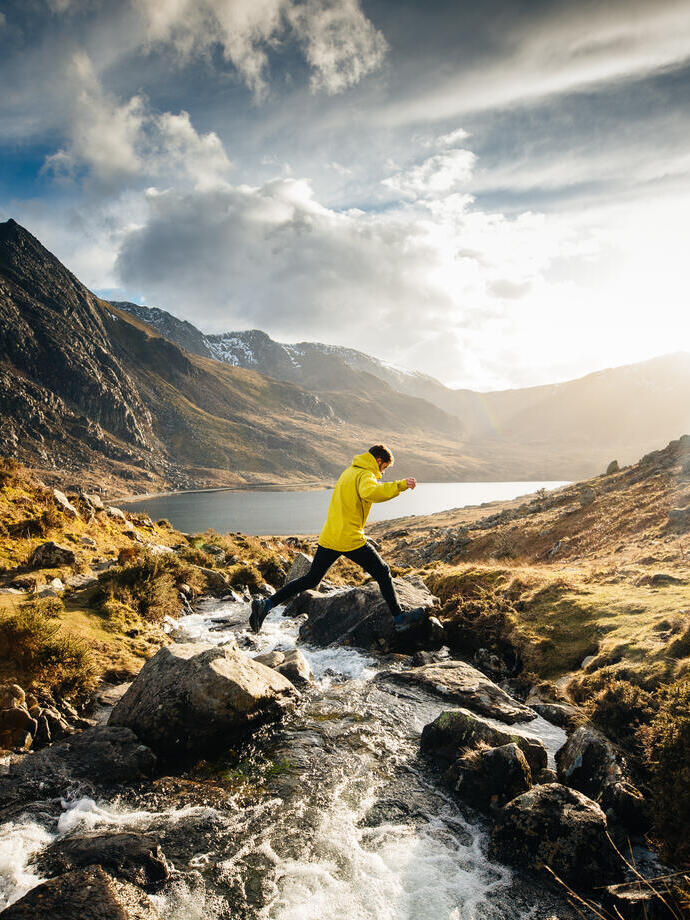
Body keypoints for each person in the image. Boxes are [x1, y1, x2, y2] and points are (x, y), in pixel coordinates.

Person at [249, 444, 425, 633]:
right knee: (382, 572)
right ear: (379, 460)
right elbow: (370, 492)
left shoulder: (350, 471)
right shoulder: (366, 474)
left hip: (330, 535)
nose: (383, 473)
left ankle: (266, 605)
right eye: (384, 468)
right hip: (349, 538)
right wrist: (400, 485)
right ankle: (399, 618)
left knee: (311, 579)